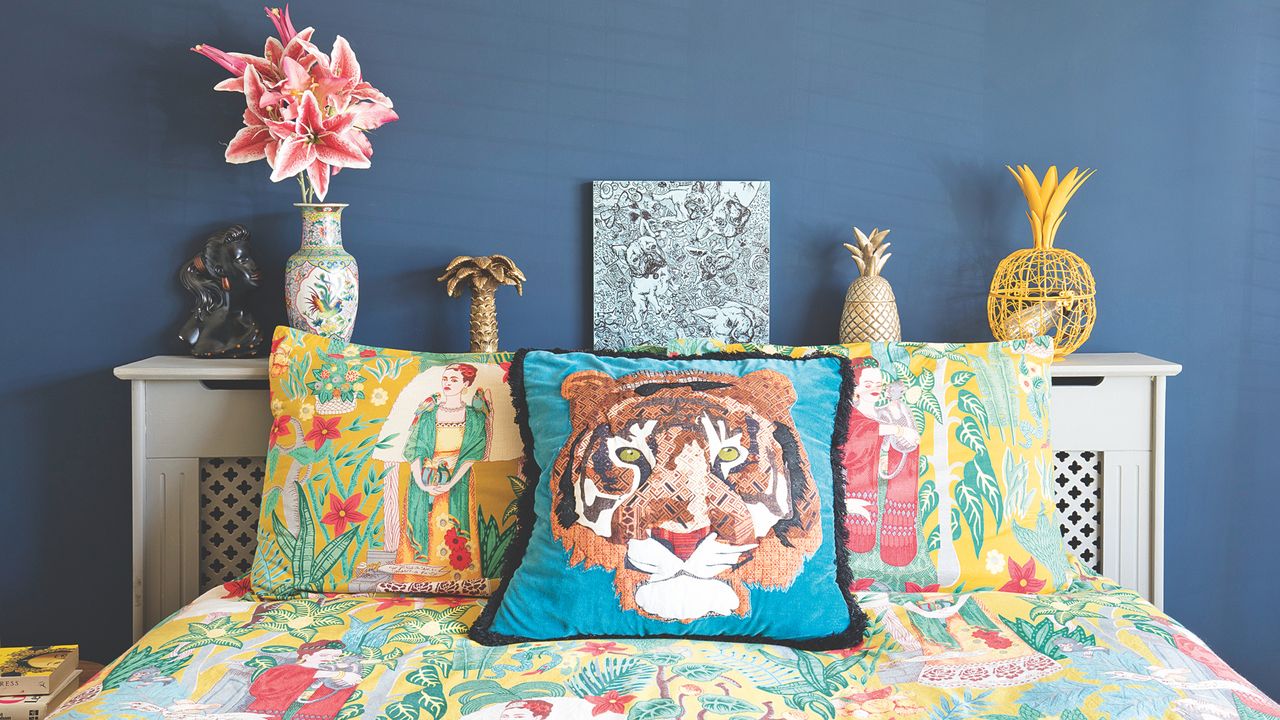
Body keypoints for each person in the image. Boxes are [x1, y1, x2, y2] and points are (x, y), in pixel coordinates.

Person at [402, 363, 492, 571]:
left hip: (458, 481)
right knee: (424, 528)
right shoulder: (428, 415)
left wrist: (450, 481)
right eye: (445, 379)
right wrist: (421, 483)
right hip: (424, 478)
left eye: (454, 380)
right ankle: (416, 578)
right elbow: (415, 449)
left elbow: (471, 455)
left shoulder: (475, 418)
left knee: (453, 536)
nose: (448, 384)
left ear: (466, 384)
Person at [842, 365, 921, 566]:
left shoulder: (884, 412)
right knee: (856, 536)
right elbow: (853, 442)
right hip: (859, 482)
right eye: (868, 385)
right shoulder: (850, 415)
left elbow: (893, 440)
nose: (874, 389)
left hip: (885, 476)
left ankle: (896, 549)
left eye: (878, 384)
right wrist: (894, 430)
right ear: (856, 388)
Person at [246, 640, 360, 720]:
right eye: (325, 655)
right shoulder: (285, 670)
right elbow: (258, 689)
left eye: (335, 657)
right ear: (306, 656)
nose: (330, 659)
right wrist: (336, 674)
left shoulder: (326, 676)